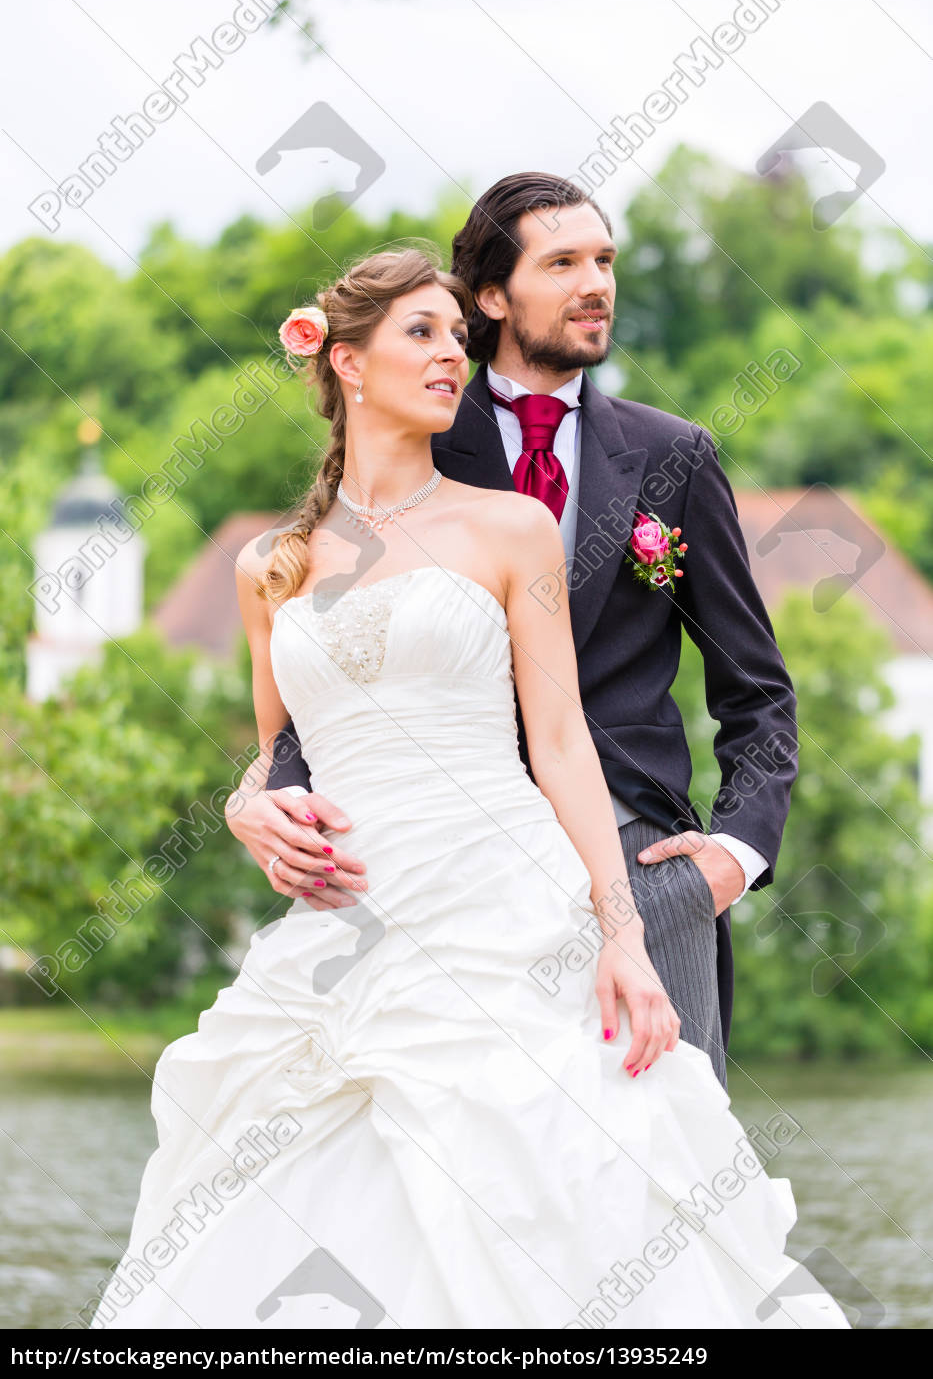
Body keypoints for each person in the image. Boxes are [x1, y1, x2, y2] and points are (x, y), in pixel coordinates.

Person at [92, 247, 848, 1329]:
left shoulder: (508, 529)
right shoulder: (272, 566)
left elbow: (561, 741)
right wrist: (244, 807)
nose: (454, 353)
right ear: (344, 361)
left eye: (458, 331)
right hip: (346, 927)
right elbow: (280, 751)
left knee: (549, 1194)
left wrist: (621, 932)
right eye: (423, 333)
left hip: (503, 905)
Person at [229, 173, 800, 1093]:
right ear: (492, 295)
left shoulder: (672, 457)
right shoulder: (423, 433)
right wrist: (255, 802)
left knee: (656, 1172)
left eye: (605, 261)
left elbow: (757, 691)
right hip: (426, 885)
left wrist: (731, 858)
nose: (596, 284)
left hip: (645, 863)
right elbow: (330, 679)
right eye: (564, 262)